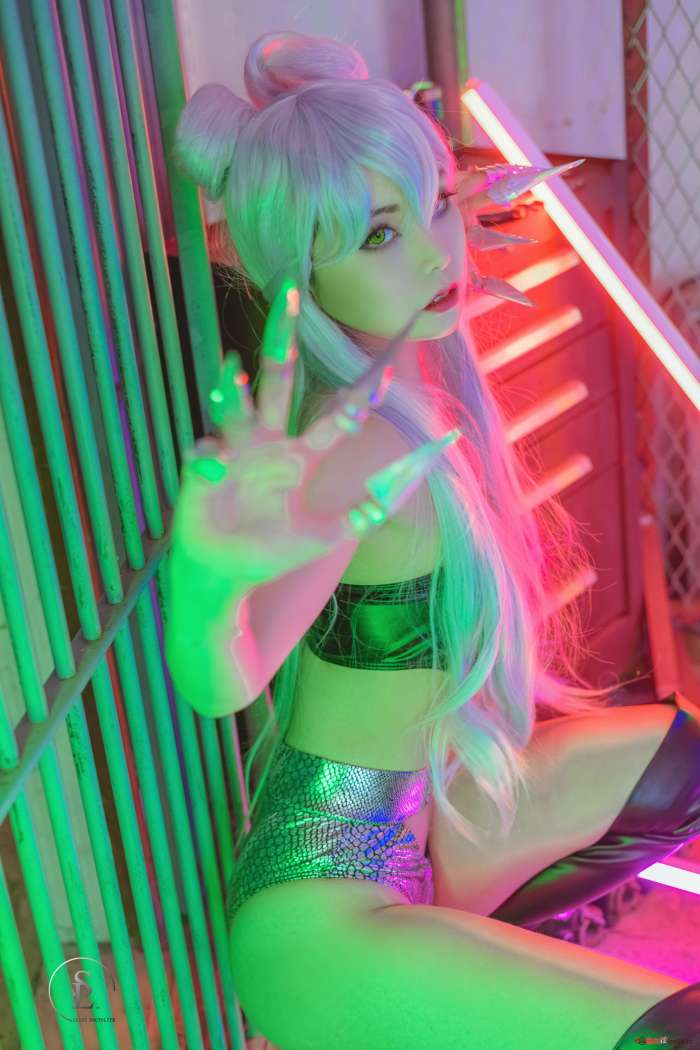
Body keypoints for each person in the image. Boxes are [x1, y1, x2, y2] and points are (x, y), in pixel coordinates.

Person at [166, 30, 700, 1050]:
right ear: (296, 272)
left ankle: (471, 982)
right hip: (320, 919)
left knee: (678, 762)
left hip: (423, 829)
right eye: (378, 235)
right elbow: (223, 680)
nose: (435, 253)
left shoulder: (409, 387)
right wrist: (206, 583)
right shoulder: (350, 447)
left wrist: (417, 229)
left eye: (440, 206)